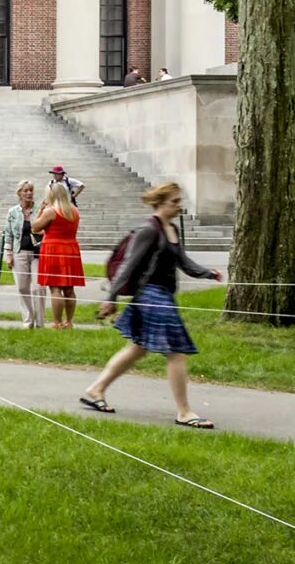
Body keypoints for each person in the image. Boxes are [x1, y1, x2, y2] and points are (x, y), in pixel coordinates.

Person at [80, 181, 225, 427]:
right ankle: (184, 412)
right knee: (176, 352)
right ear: (160, 203)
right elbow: (128, 265)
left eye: (179, 202)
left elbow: (184, 262)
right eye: (174, 202)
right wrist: (111, 297)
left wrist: (207, 273)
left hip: (162, 295)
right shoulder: (148, 230)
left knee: (138, 348)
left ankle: (95, 390)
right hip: (151, 296)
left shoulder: (172, 230)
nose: (179, 206)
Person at [32, 167, 86, 328]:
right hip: (70, 248)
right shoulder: (74, 211)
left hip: (53, 248)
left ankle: (57, 322)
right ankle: (69, 321)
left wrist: (40, 211)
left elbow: (35, 227)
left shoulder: (50, 211)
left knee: (55, 288)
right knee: (69, 288)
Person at [3, 180, 44, 328]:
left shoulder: (40, 209)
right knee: (22, 287)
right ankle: (28, 321)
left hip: (37, 254)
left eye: (31, 190)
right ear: (19, 193)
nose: (29, 193)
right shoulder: (13, 212)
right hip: (19, 252)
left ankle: (40, 323)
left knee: (38, 287)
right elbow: (8, 234)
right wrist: (8, 254)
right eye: (25, 190)